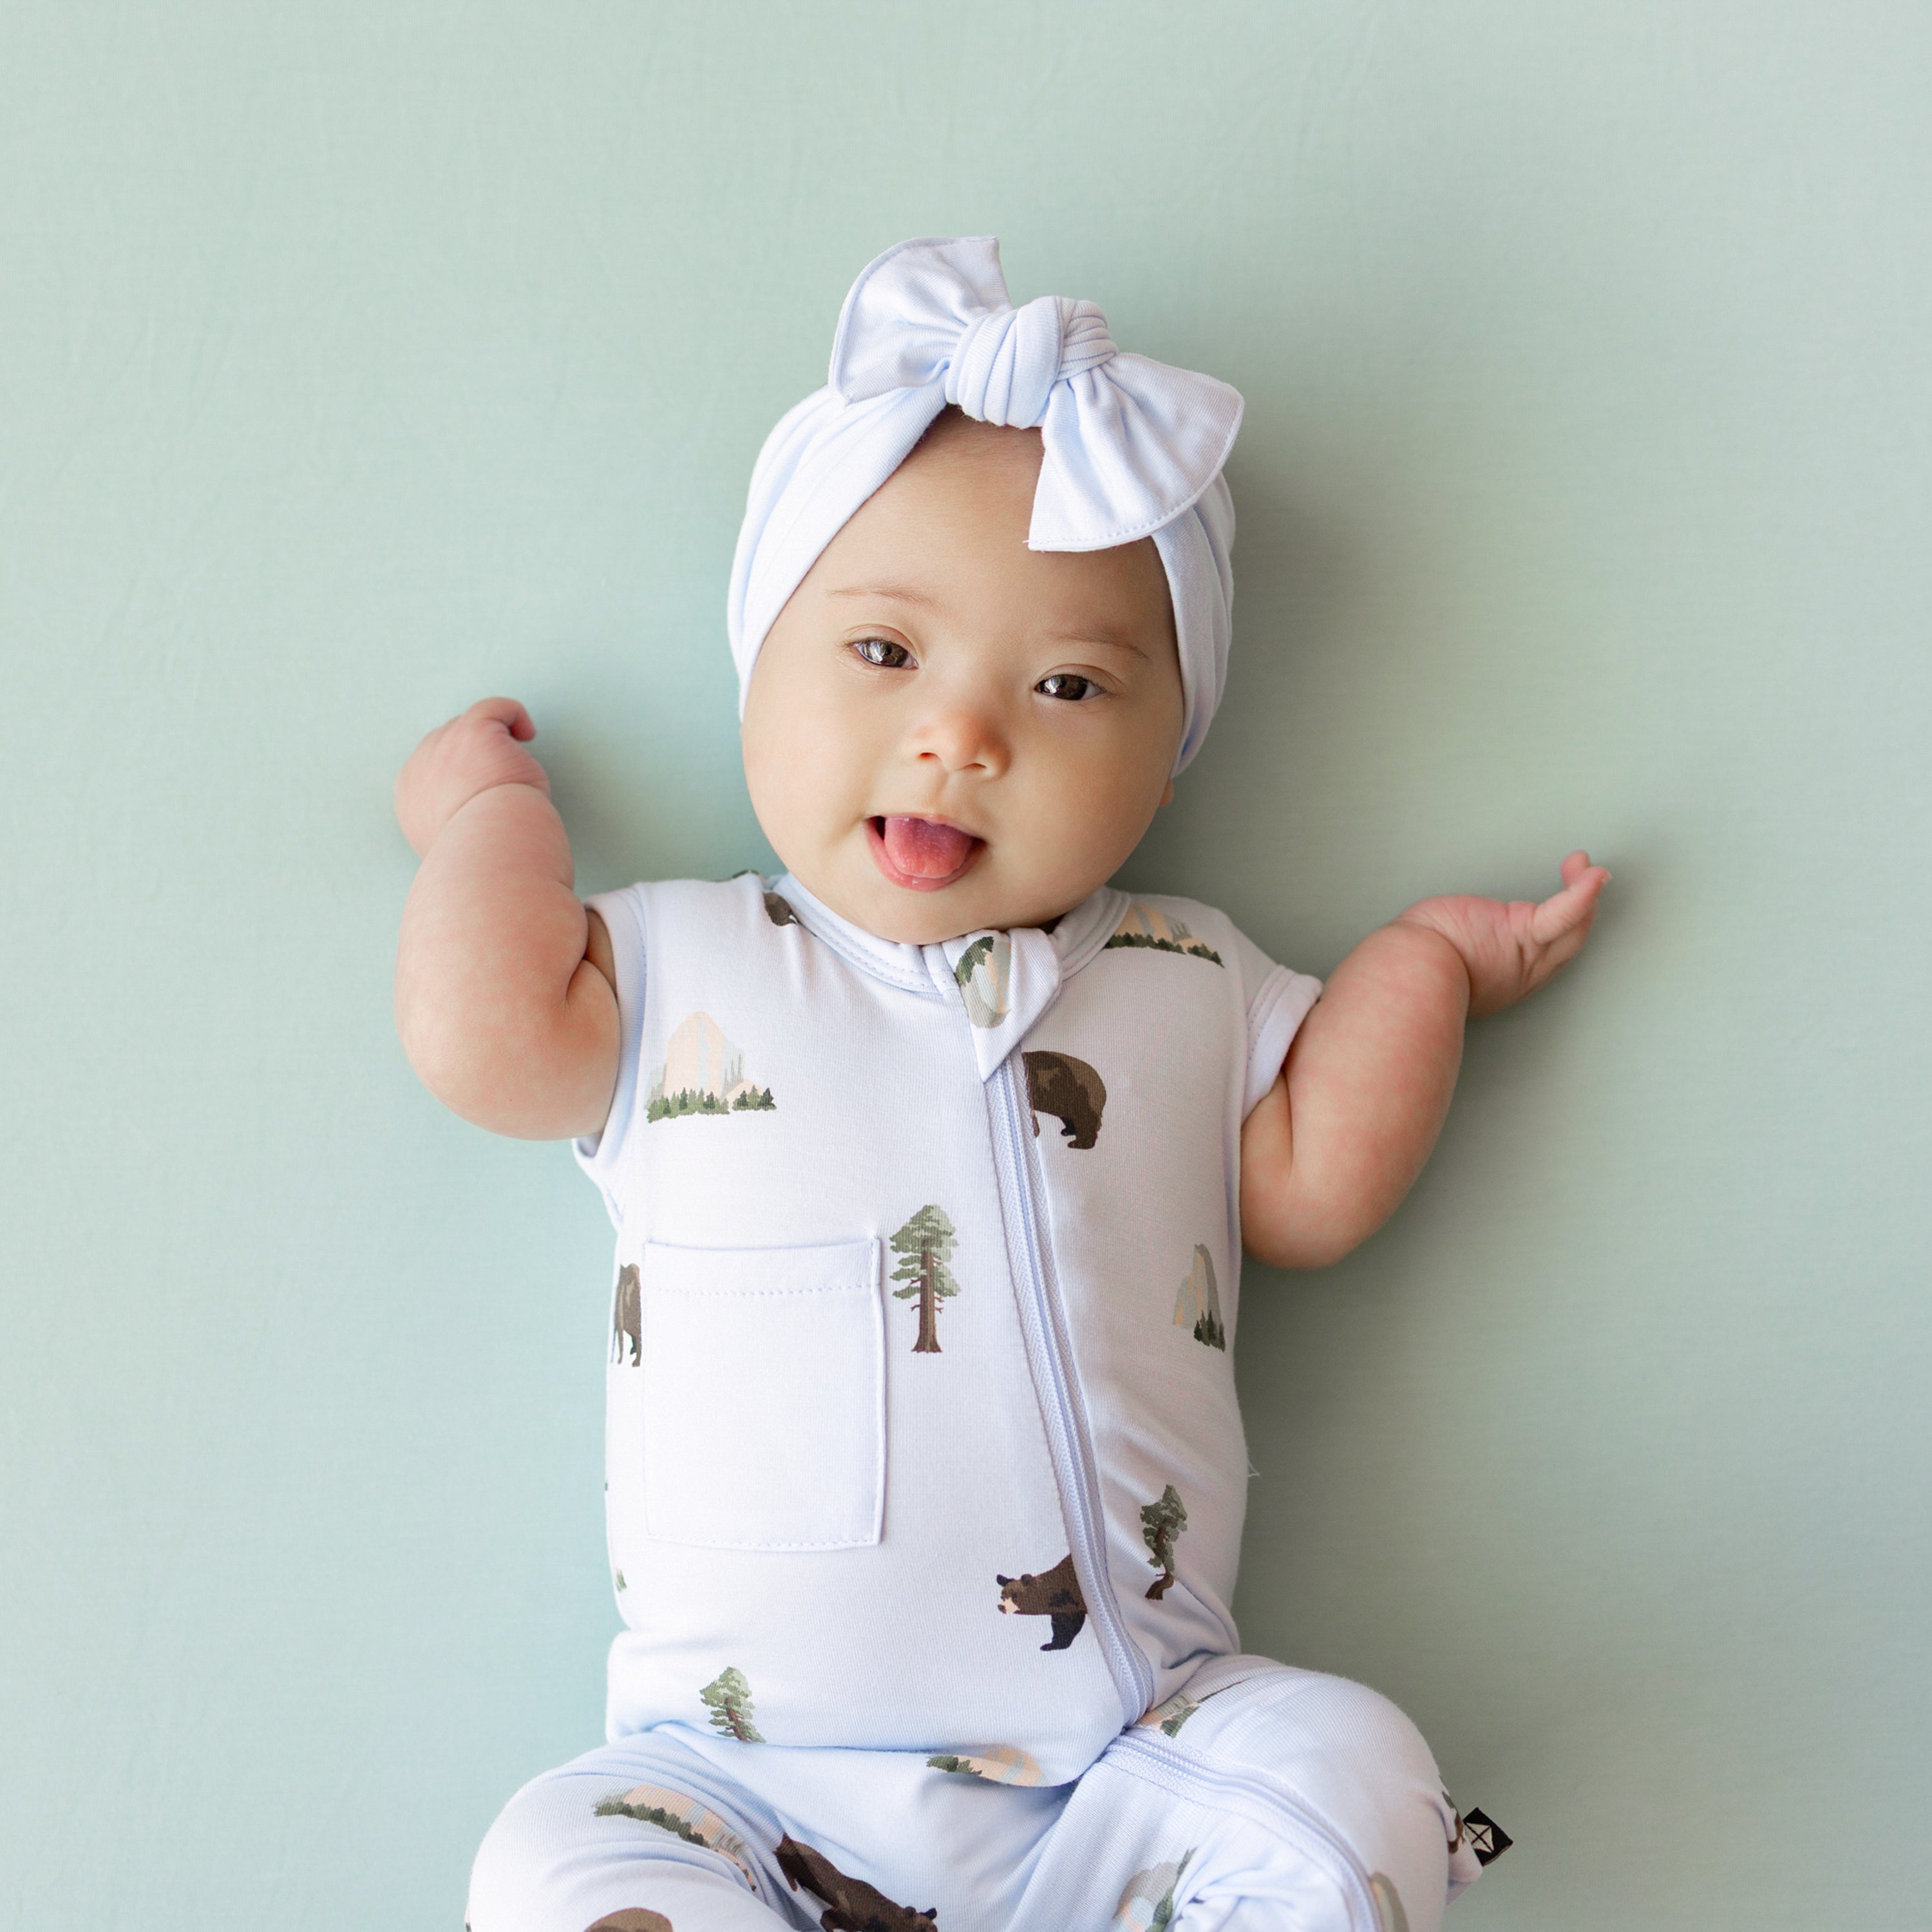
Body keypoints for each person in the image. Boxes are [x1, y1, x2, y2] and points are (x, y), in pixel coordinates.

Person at [395, 236, 1604, 1932]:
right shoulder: (688, 966)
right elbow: (481, 1038)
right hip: (735, 1792)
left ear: (1171, 745)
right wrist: (485, 824)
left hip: (1130, 1767)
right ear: (762, 664)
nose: (963, 733)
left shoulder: (1184, 980)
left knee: (1357, 1778)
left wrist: (1426, 972)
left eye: (1067, 686)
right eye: (883, 653)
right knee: (548, 1870)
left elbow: (1317, 1184)